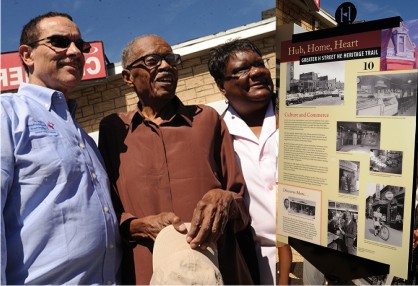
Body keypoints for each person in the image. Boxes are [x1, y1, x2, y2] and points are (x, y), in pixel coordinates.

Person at [98, 35, 257, 285]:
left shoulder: (207, 119)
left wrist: (225, 200)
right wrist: (137, 225)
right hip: (147, 271)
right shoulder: (114, 130)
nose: (165, 66)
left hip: (219, 269)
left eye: (171, 59)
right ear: (128, 77)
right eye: (152, 60)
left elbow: (241, 205)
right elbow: (105, 212)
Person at [1, 12, 121, 284]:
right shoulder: (8, 115)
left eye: (82, 45)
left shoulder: (83, 138)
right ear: (27, 55)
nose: (75, 52)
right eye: (59, 41)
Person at [208, 38, 292, 285]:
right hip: (253, 262)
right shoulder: (216, 134)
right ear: (221, 86)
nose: (257, 72)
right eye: (243, 70)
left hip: (312, 255)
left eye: (260, 64)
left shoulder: (298, 117)